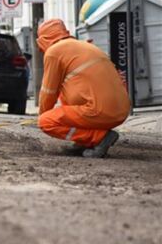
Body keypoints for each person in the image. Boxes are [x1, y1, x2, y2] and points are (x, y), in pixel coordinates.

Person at [36, 18, 130, 158]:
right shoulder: (85, 46)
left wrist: (44, 116)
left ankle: (99, 137)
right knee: (68, 89)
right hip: (122, 110)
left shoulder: (54, 52)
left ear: (43, 39)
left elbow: (49, 91)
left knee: (46, 122)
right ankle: (83, 141)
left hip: (99, 111)